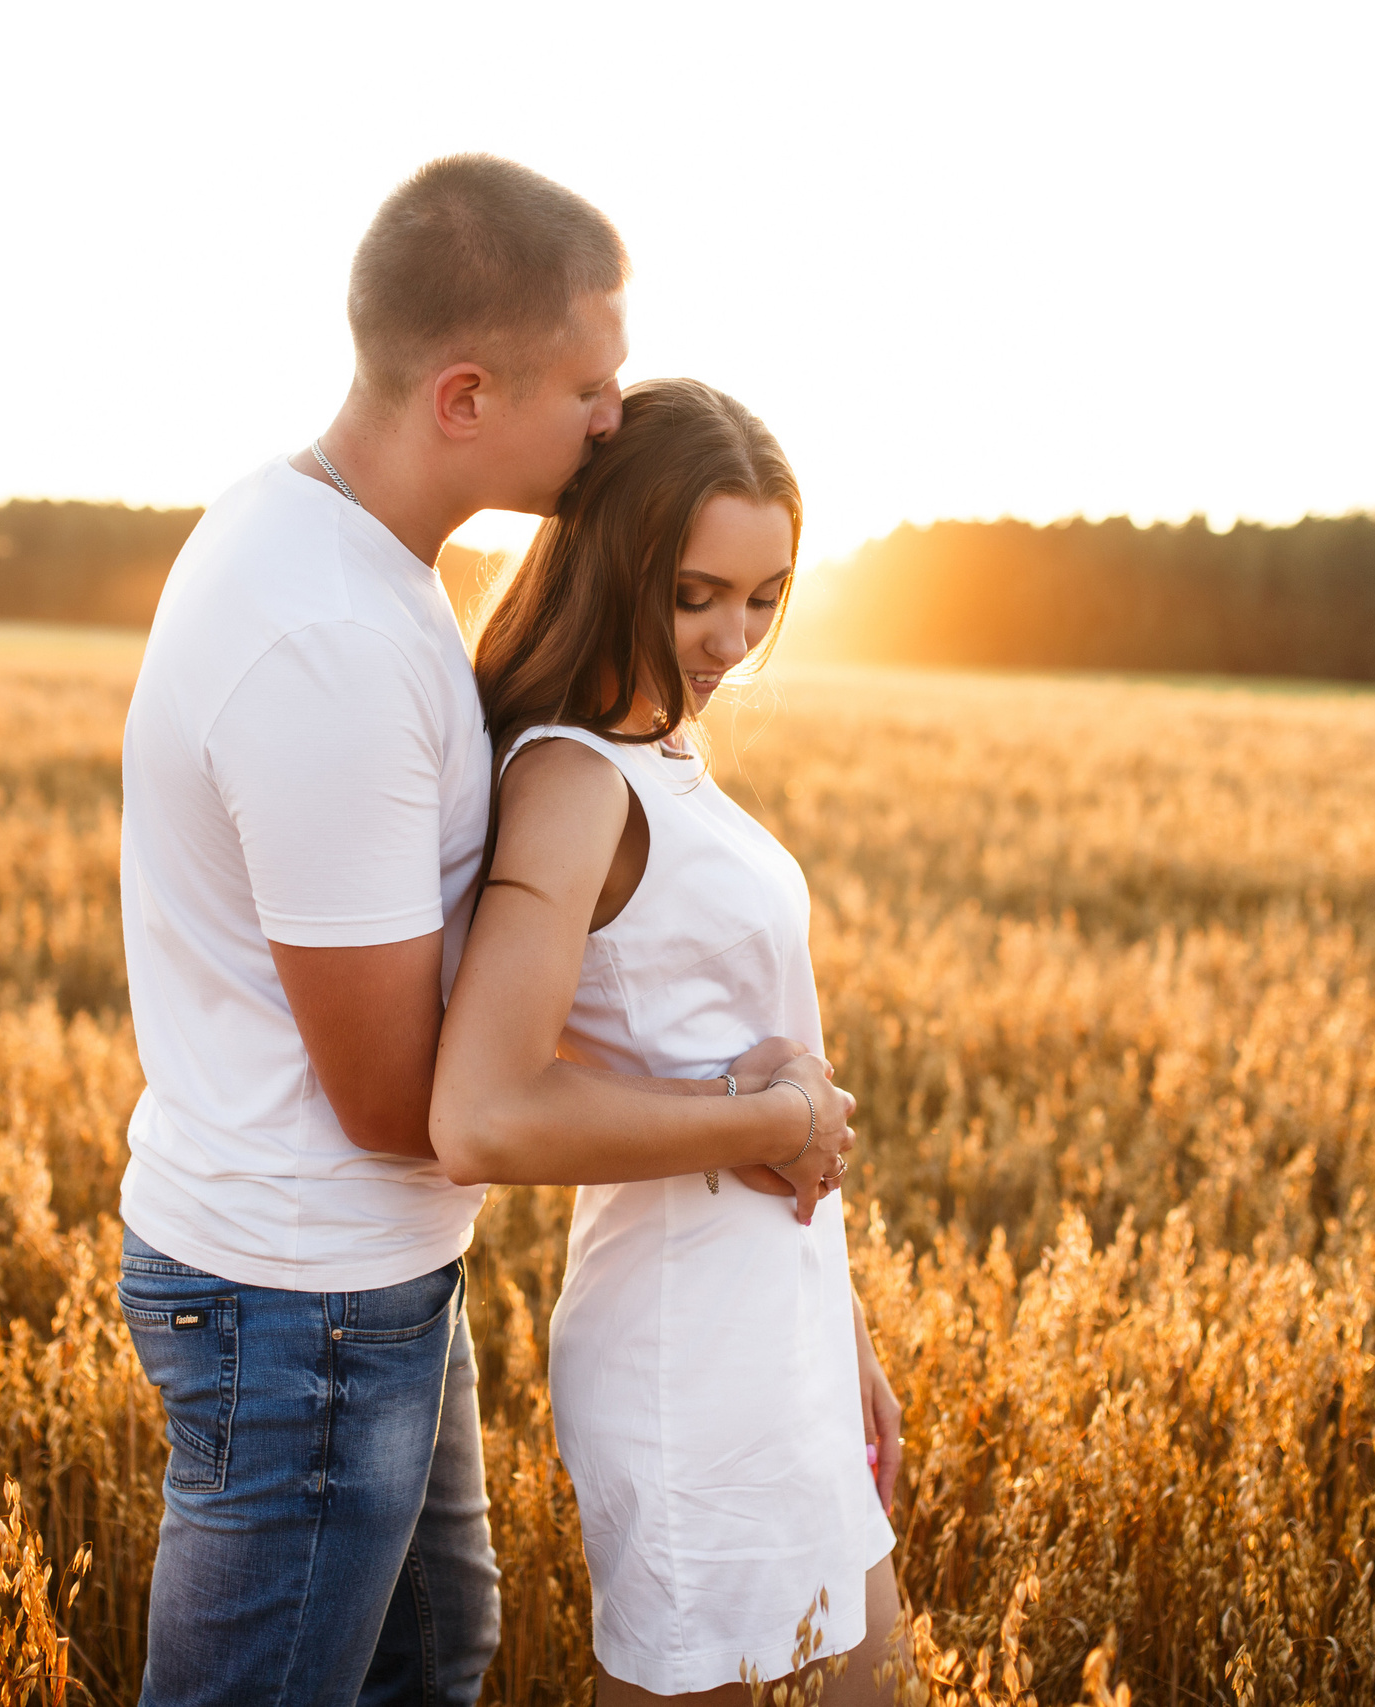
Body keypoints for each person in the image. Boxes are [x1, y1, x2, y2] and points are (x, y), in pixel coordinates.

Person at [114, 157, 855, 1707]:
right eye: (590, 381)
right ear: (464, 394)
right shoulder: (327, 634)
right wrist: (752, 1111)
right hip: (300, 1294)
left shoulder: (348, 563)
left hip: (360, 1274)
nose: (613, 414)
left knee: (435, 1665)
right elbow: (416, 1105)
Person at [431, 378, 907, 1705]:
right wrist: (774, 1122)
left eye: (765, 596)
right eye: (697, 592)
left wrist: (845, 1341)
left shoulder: (665, 749)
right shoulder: (575, 777)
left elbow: (744, 1044)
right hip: (690, 1356)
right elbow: (488, 1112)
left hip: (776, 1327)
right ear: (615, 557)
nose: (733, 636)